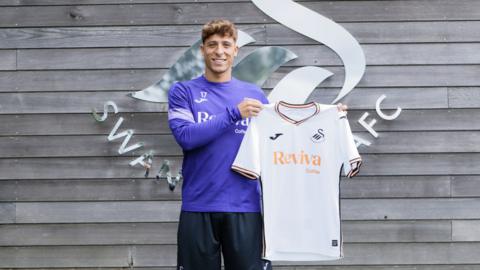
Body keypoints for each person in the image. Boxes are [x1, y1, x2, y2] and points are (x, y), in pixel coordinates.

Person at [168, 19, 347, 270]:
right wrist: (233, 114)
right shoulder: (183, 92)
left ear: (235, 50)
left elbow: (286, 138)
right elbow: (186, 137)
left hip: (246, 207)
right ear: (202, 50)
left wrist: (328, 118)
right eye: (212, 45)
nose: (219, 51)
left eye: (226, 45)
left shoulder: (254, 96)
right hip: (199, 205)